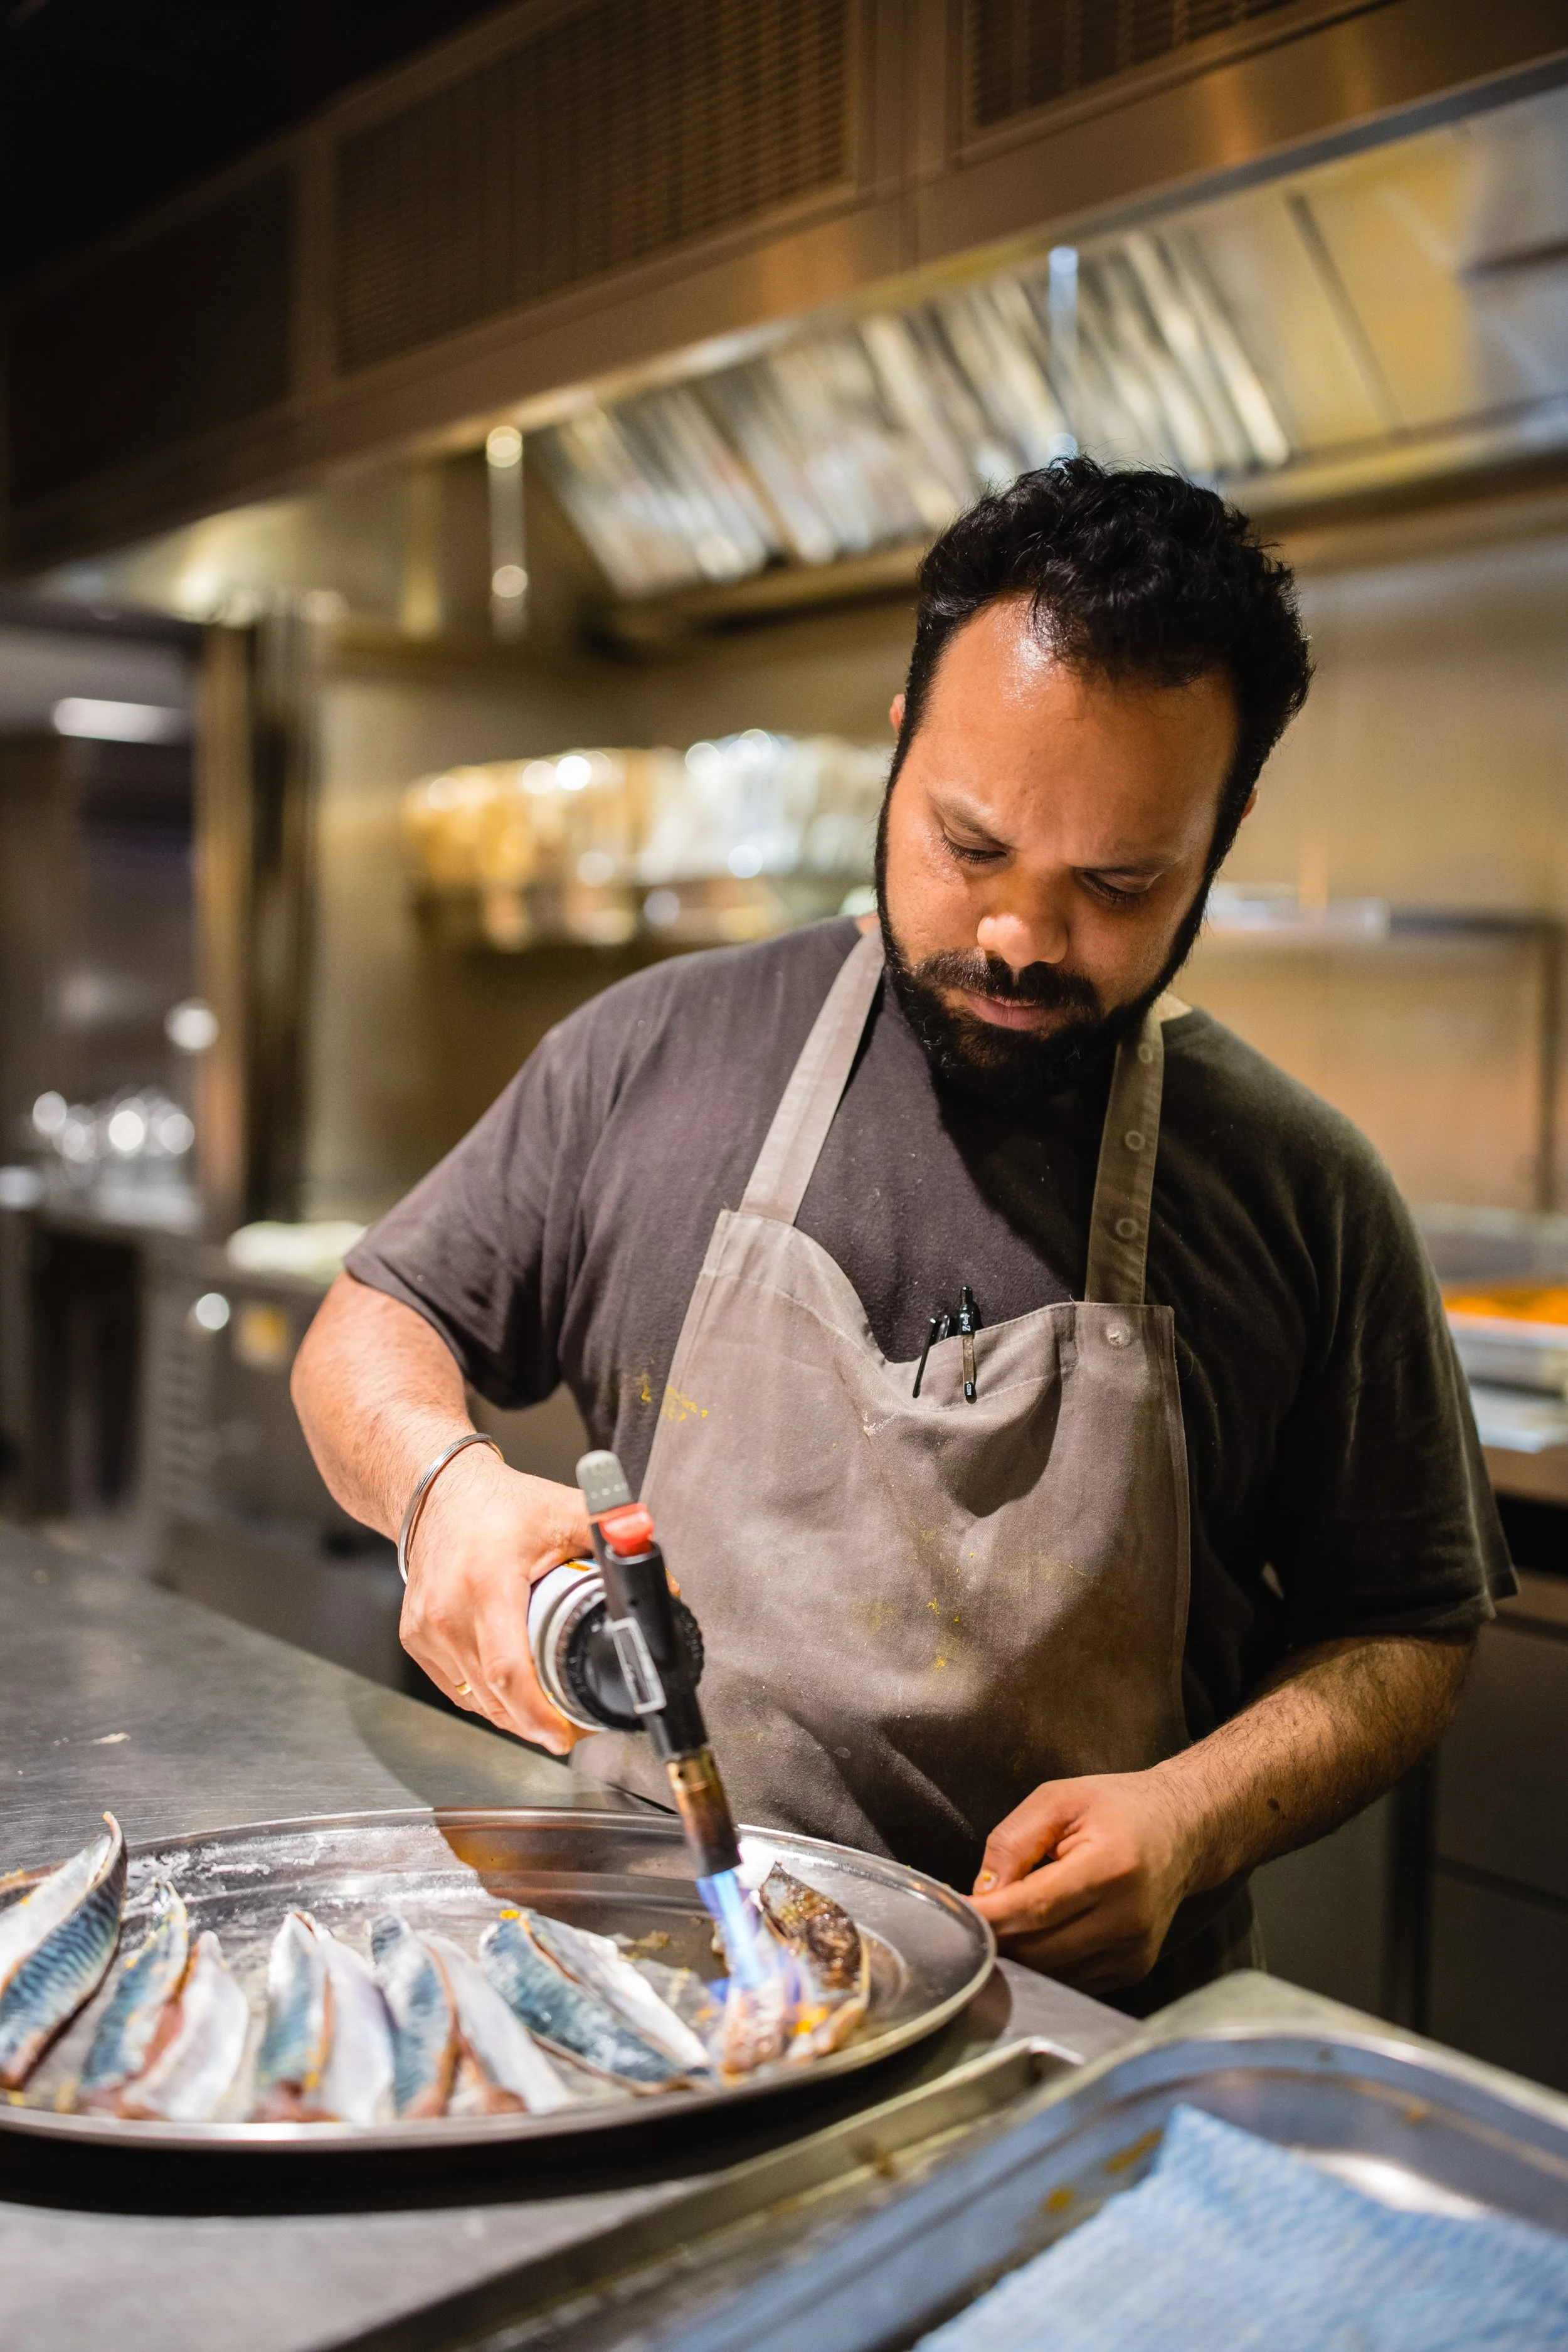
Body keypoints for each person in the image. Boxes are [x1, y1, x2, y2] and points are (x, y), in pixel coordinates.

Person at [292, 459, 1508, 2014]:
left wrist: (1193, 1817)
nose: (1017, 935)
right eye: (969, 845)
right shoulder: (655, 1055)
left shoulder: (1299, 1189)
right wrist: (438, 1487)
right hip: (627, 1985)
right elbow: (370, 1322)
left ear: (1225, 829)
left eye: (1116, 883)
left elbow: (1405, 1630)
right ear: (898, 748)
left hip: (1056, 2047)